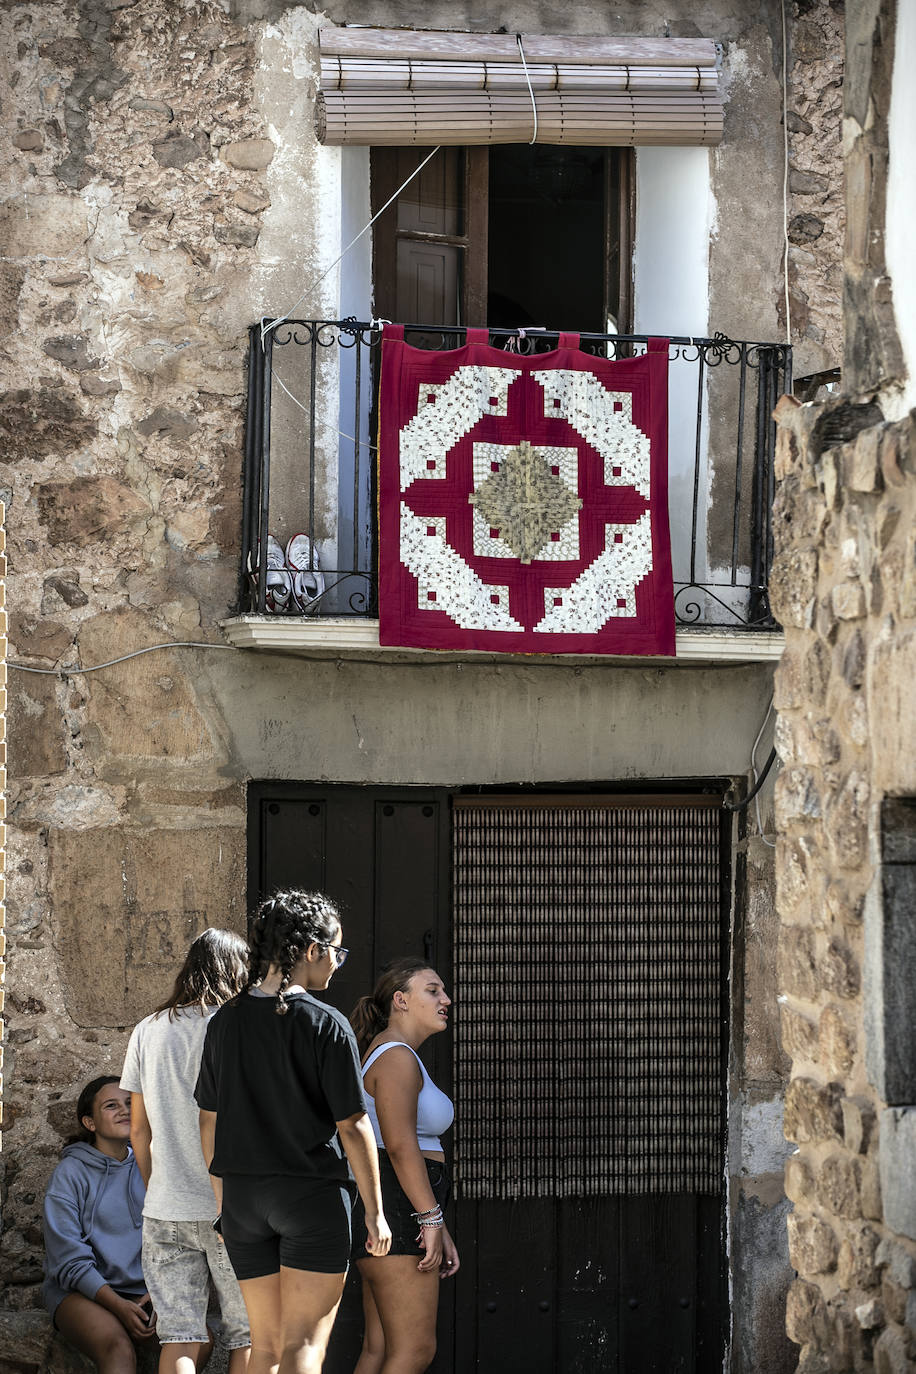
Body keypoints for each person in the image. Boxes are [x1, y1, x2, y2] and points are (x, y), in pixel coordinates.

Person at [194, 889, 391, 1374]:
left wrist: (223, 1201)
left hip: (243, 1201)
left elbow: (208, 1120)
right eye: (336, 951)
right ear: (310, 949)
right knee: (303, 1346)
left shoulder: (225, 1021)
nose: (338, 964)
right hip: (311, 1197)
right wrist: (376, 1212)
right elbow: (353, 1123)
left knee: (264, 1348)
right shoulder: (326, 1023)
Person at [120, 928, 252, 1374]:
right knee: (245, 1336)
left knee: (179, 1337)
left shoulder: (148, 1029)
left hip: (166, 1206)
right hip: (232, 1207)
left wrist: (155, 1185)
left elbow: (138, 1130)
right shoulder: (238, 1026)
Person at [349, 960, 459, 1374]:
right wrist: (430, 1219)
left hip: (401, 1202)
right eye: (432, 990)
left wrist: (438, 1224)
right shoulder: (395, 1056)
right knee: (414, 1350)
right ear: (401, 1000)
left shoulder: (397, 1053)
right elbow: (399, 1146)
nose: (445, 999)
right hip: (399, 1203)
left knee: (379, 1350)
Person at [43, 1076, 156, 1374]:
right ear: (90, 1123)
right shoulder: (71, 1173)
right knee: (117, 1348)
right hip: (80, 1292)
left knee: (198, 1339)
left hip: (143, 1292)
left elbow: (174, 1238)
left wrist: (158, 1292)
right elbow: (67, 1258)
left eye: (130, 1103)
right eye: (111, 1105)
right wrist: (118, 1305)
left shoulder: (152, 1164)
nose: (124, 1110)